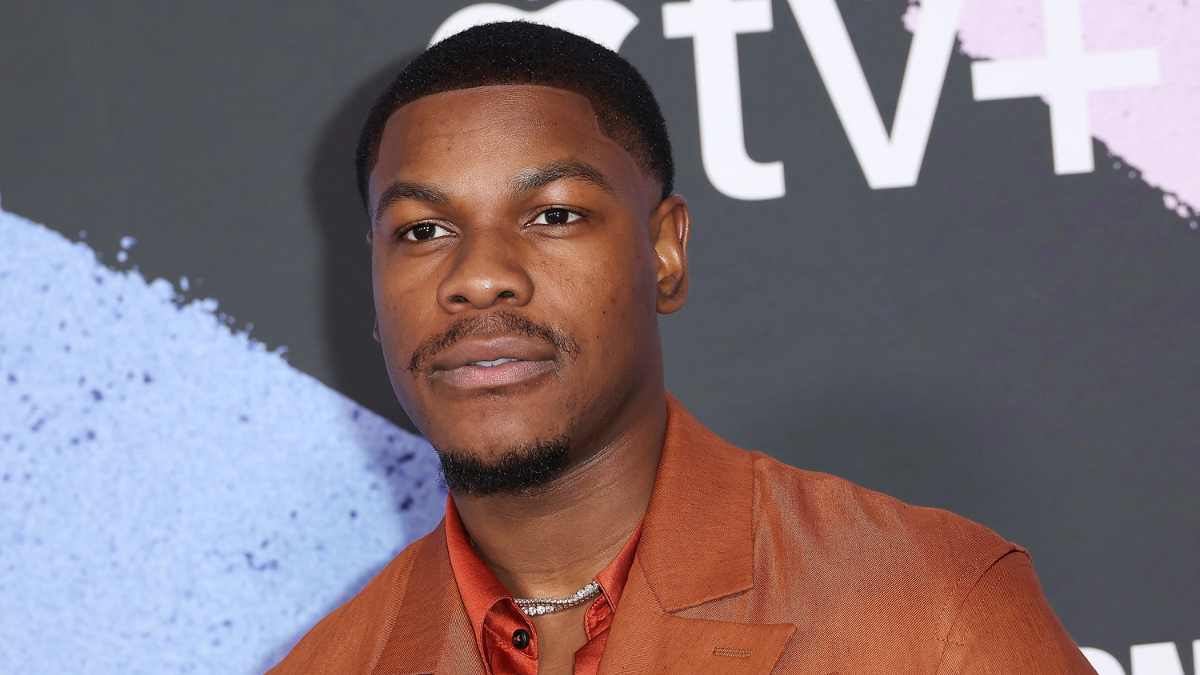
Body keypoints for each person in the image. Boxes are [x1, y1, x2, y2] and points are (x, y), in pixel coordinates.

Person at [268, 21, 1095, 675]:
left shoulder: (933, 609)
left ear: (665, 253)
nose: (479, 277)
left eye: (554, 215)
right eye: (422, 230)